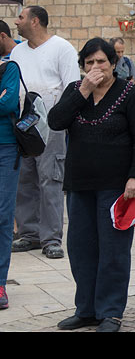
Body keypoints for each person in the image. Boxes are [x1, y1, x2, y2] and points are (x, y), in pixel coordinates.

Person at [48, 37, 135, 332]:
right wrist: (83, 90)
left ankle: (111, 312)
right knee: (81, 249)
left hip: (117, 186)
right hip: (80, 184)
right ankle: (87, 310)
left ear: (113, 63)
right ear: (82, 66)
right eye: (89, 63)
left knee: (113, 251)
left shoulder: (129, 93)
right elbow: (55, 121)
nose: (95, 67)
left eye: (101, 62)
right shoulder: (75, 91)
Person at [10, 5, 80, 259]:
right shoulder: (17, 51)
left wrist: (63, 121)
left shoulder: (62, 48)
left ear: (35, 21)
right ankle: (29, 234)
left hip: (51, 125)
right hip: (23, 126)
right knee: (24, 181)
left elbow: (73, 87)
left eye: (21, 17)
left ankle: (51, 238)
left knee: (51, 180)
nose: (16, 22)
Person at [0, 56, 21, 309]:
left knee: (3, 215)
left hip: (5, 148)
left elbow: (6, 103)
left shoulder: (9, 68)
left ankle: (0, 282)